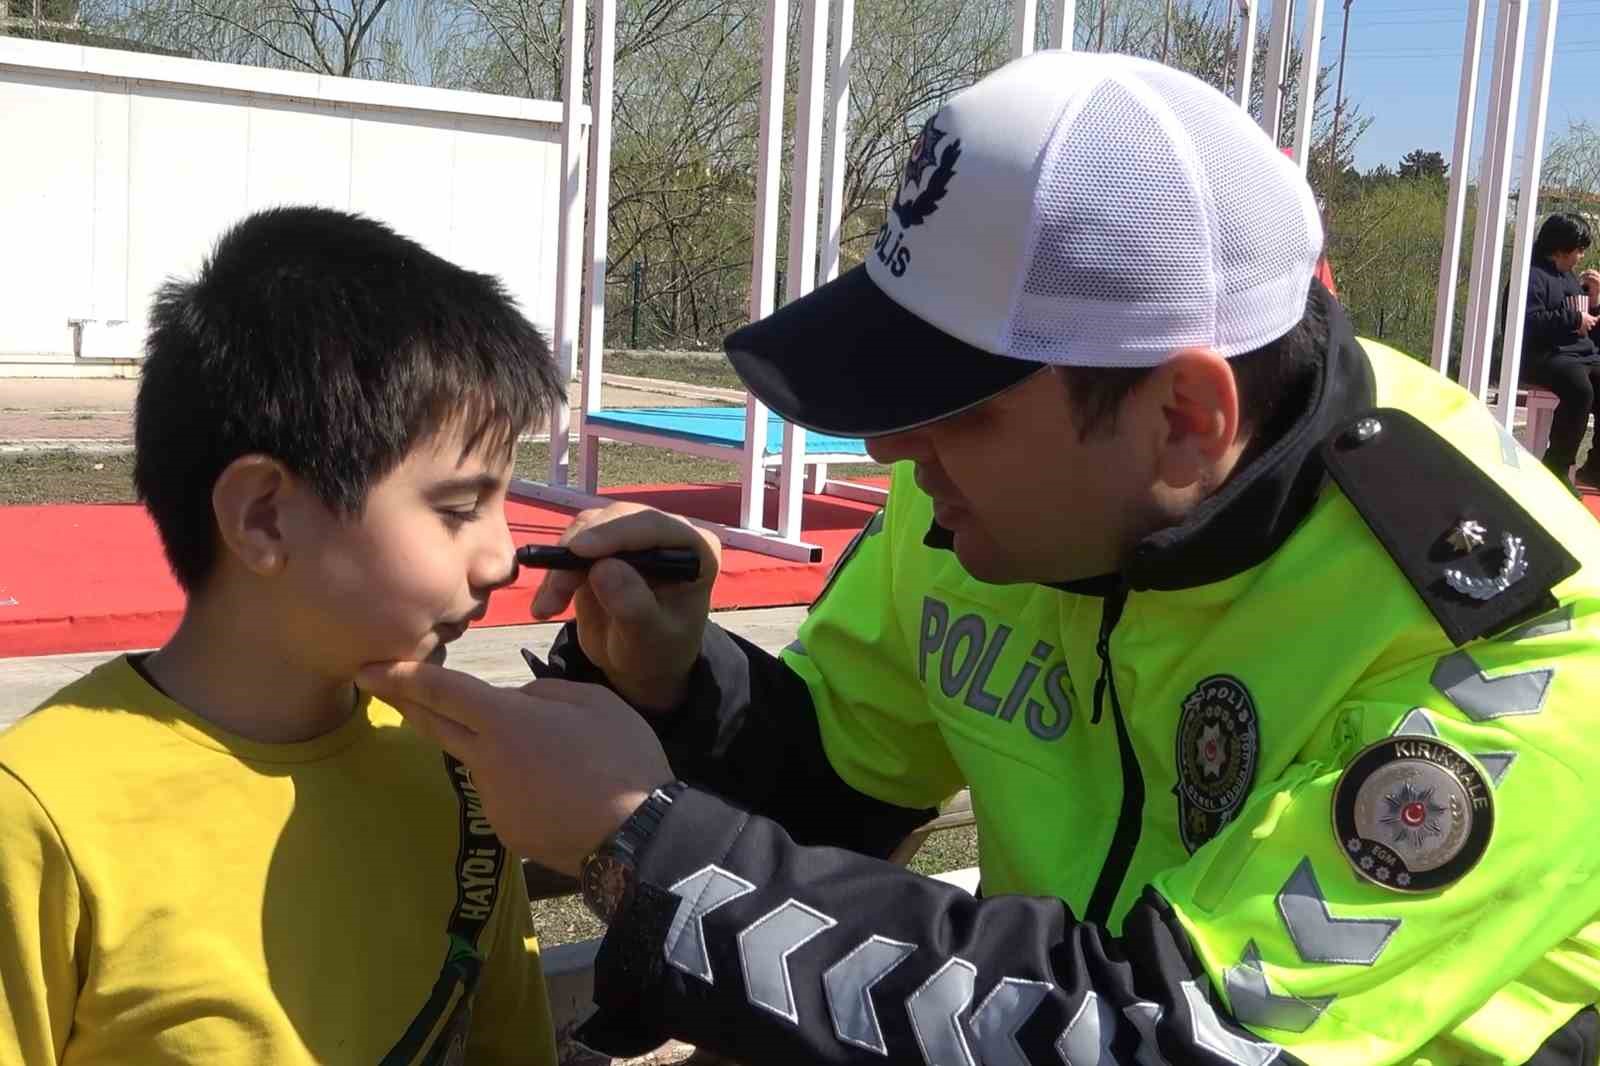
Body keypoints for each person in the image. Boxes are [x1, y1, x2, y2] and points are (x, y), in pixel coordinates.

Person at [362, 51, 1600, 1066]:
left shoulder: (1513, 641)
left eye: (957, 402)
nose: (892, 449)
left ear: (1183, 416)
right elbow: (846, 778)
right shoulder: (969, 508)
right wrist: (684, 686)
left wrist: (645, 847)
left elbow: (1178, 1040)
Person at [0, 206, 564, 1064]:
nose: (500, 558)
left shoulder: (461, 770)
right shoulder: (37, 814)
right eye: (458, 510)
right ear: (264, 516)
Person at [1519, 212, 1600, 492]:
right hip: (1544, 354)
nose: (1580, 257)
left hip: (1578, 354)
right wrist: (1575, 320)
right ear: (1561, 247)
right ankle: (1557, 467)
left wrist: (1595, 301)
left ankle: (1596, 467)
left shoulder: (1569, 277)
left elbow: (1587, 322)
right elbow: (1529, 320)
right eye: (1578, 250)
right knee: (1580, 389)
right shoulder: (1531, 276)